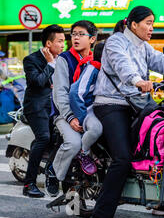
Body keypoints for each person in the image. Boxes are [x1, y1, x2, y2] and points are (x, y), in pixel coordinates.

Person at [87, 6, 164, 218]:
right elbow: (122, 66)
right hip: (112, 105)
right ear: (134, 25)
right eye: (148, 23)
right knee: (122, 159)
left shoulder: (143, 47)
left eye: (153, 23)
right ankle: (99, 217)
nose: (152, 28)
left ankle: (163, 198)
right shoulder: (116, 42)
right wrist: (137, 80)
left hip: (137, 103)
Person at [49, 20, 98, 195]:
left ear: (92, 39)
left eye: (80, 34)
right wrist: (70, 117)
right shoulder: (64, 59)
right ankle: (53, 172)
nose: (75, 38)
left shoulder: (95, 60)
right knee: (74, 143)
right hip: (64, 114)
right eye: (73, 34)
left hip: (87, 113)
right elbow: (60, 93)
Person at [22, 25, 65, 198]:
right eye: (60, 41)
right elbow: (38, 82)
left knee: (61, 138)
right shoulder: (31, 60)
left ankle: (50, 170)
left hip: (56, 107)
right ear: (49, 43)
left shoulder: (61, 59)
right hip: (36, 107)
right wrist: (50, 65)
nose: (63, 45)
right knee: (44, 138)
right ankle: (28, 183)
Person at [68, 42, 105, 175]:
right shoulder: (93, 68)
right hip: (90, 110)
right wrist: (83, 117)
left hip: (103, 109)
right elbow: (74, 93)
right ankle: (83, 153)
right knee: (96, 129)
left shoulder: (109, 69)